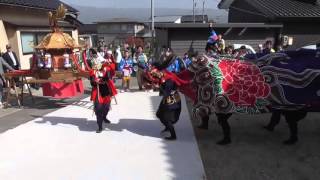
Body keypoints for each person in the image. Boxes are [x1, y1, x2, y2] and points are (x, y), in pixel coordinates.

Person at [89, 57, 117, 133]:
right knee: (98, 109)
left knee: (106, 107)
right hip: (97, 92)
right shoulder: (92, 72)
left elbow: (107, 78)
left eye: (98, 63)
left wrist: (103, 80)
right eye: (95, 63)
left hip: (106, 91)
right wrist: (96, 82)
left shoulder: (106, 69)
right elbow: (92, 82)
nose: (96, 65)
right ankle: (100, 126)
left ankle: (104, 117)